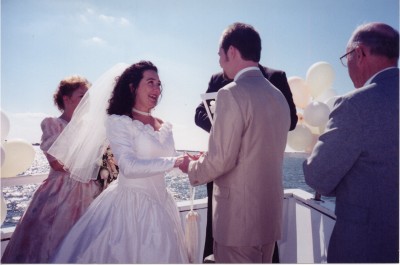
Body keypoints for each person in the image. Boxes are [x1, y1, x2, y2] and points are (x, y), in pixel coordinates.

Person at [51, 61, 189, 263]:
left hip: (161, 204)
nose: (157, 89)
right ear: (132, 87)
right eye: (150, 82)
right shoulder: (119, 122)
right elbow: (129, 166)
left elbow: (172, 167)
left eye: (159, 84)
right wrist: (175, 161)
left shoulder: (164, 126)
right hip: (130, 208)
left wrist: (190, 163)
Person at [180, 22, 290, 263]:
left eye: (220, 55)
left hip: (238, 223)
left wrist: (190, 167)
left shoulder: (230, 93)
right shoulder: (278, 96)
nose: (219, 62)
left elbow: (221, 159)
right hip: (268, 219)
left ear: (231, 51)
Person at [303, 22, 399, 263]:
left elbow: (319, 178)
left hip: (365, 249)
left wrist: (312, 149)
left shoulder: (354, 105)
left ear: (360, 53)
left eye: (347, 57)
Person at [195, 65, 297, 263]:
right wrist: (227, 130)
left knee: (265, 242)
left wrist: (243, 129)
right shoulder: (218, 79)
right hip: (223, 175)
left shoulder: (275, 77)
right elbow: (198, 115)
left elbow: (291, 121)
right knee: (217, 237)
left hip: (260, 176)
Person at [1, 76, 102, 263]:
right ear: (66, 98)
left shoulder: (90, 129)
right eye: (82, 96)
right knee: (51, 245)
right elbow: (56, 163)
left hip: (90, 193)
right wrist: (88, 166)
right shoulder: (53, 125)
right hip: (61, 194)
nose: (87, 101)